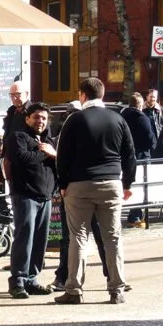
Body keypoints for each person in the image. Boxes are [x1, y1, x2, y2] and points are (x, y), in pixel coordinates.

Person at [55, 77, 136, 305]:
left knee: (78, 238)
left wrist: (63, 184)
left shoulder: (74, 120)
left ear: (82, 95)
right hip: (111, 183)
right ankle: (116, 288)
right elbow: (129, 154)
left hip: (79, 184)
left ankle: (74, 289)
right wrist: (128, 183)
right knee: (112, 237)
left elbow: (63, 156)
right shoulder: (117, 119)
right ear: (102, 95)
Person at [6, 102, 57, 298]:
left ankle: (32, 279)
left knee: (40, 240)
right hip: (25, 195)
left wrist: (52, 154)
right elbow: (22, 159)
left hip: (45, 196)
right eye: (36, 117)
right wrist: (44, 153)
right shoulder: (18, 137)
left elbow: (56, 164)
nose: (40, 121)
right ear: (27, 118)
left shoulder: (48, 141)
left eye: (44, 118)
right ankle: (17, 281)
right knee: (24, 238)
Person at [120, 93, 156, 228]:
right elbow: (150, 138)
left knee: (128, 184)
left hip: (125, 156)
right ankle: (135, 216)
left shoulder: (122, 117)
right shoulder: (142, 118)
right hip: (141, 156)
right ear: (140, 105)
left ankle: (133, 215)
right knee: (140, 186)